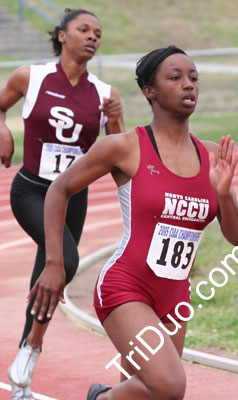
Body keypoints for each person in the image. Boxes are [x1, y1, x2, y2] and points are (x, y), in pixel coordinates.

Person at [28, 45, 238, 400]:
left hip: (175, 296)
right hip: (126, 287)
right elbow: (59, 189)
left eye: (193, 78)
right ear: (150, 91)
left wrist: (223, 195)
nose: (188, 85)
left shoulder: (209, 156)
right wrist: (54, 262)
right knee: (169, 385)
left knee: (147, 394)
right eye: (175, 78)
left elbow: (236, 237)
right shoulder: (125, 147)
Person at [0, 8, 124, 400]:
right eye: (83, 30)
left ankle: (23, 373)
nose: (92, 37)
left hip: (73, 197)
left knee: (47, 274)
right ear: (62, 36)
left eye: (98, 33)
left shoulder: (105, 93)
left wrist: (116, 121)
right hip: (33, 190)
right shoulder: (30, 77)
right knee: (64, 262)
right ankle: (34, 346)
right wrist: (2, 127)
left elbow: (117, 151)